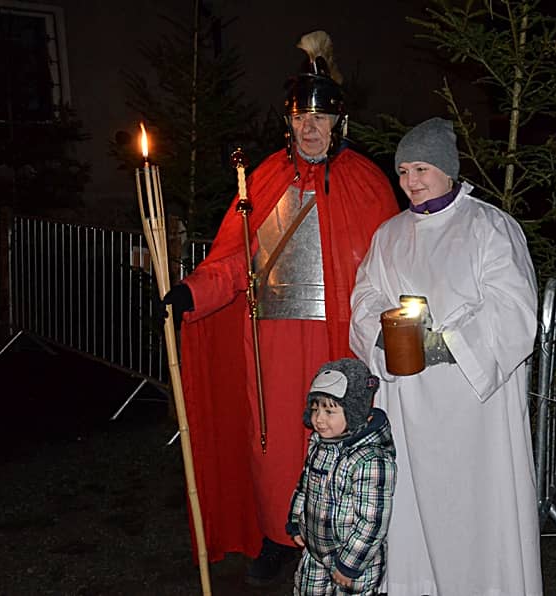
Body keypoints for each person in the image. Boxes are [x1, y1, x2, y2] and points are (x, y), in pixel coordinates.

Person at [161, 31, 398, 582]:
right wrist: (193, 292)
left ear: (339, 121)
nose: (309, 128)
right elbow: (234, 260)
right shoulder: (264, 178)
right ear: (288, 122)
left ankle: (344, 543)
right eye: (300, 118)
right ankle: (275, 534)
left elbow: (393, 265)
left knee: (338, 434)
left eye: (320, 117)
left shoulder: (367, 183)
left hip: (339, 337)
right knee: (272, 441)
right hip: (270, 340)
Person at [349, 117, 543, 595]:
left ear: (448, 170)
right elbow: (365, 296)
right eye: (403, 171)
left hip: (474, 409)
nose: (410, 181)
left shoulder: (489, 226)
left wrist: (447, 344)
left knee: (473, 508)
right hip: (409, 399)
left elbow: (514, 308)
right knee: (415, 510)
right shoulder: (390, 234)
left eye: (421, 169)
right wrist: (385, 335)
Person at [286, 358, 396, 595]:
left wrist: (349, 565)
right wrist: (296, 522)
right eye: (315, 409)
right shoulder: (320, 444)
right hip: (315, 552)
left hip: (354, 564)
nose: (319, 419)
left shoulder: (371, 460)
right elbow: (305, 487)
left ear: (354, 413)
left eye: (329, 411)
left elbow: (372, 521)